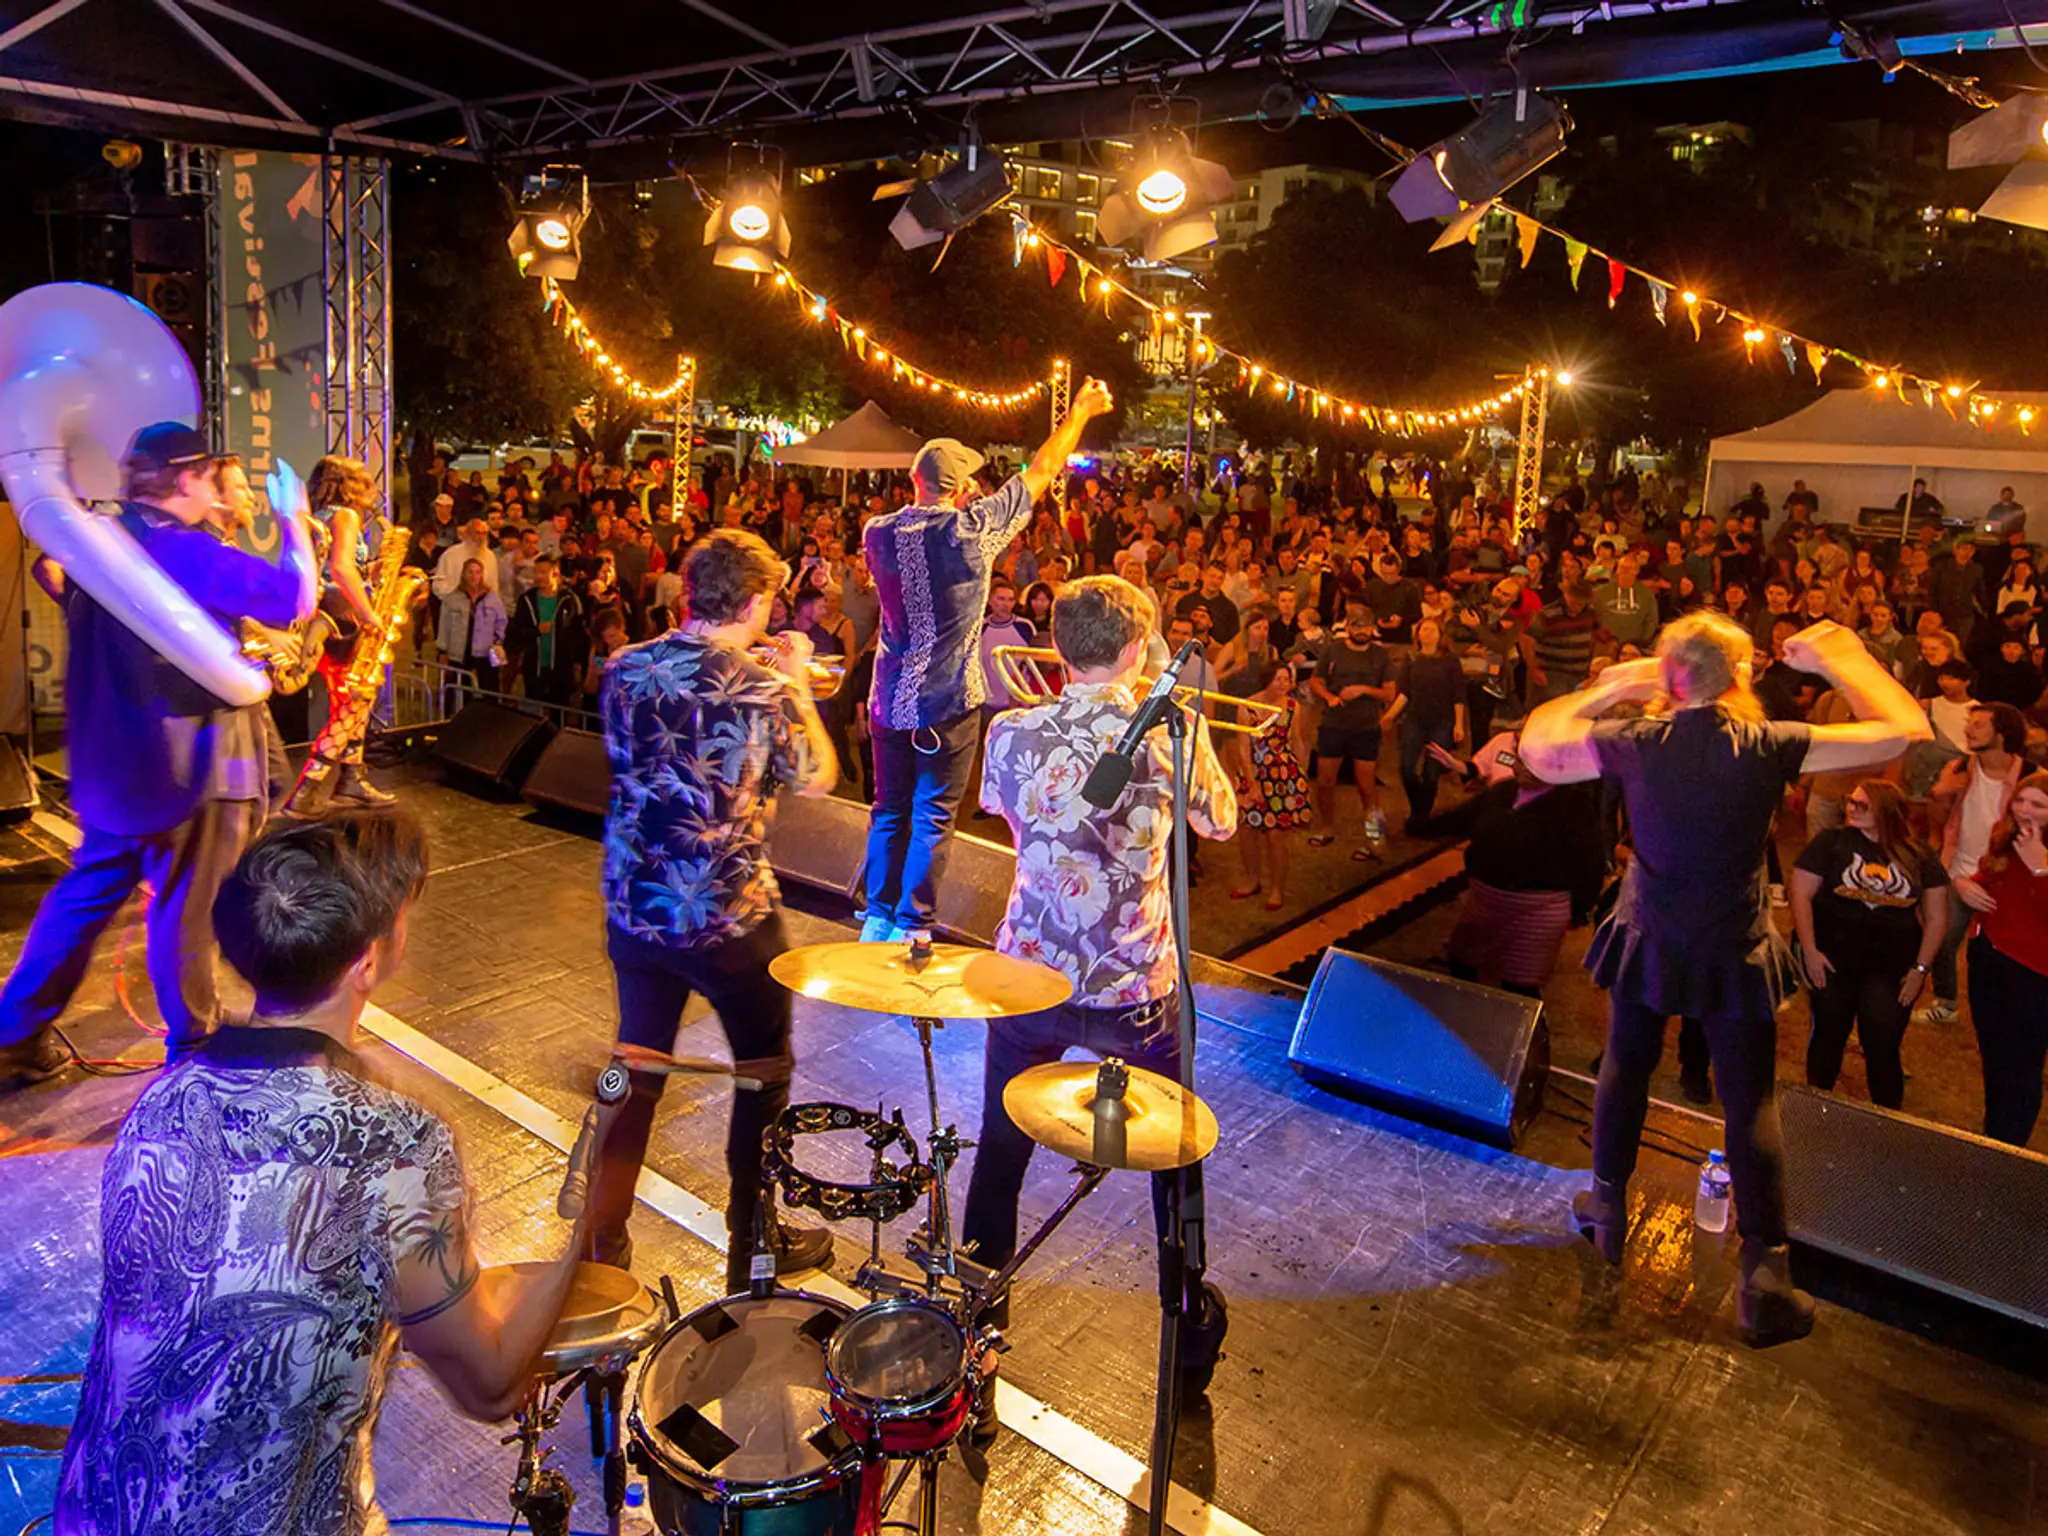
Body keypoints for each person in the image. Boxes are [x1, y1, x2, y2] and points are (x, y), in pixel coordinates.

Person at [53, 809, 613, 1535]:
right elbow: (490, 1385)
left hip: (95, 1513)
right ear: (369, 960)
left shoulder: (163, 1101)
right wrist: (590, 1215)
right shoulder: (396, 1142)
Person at [1521, 613, 1930, 1346]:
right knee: (1749, 1103)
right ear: (1740, 677)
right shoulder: (1768, 745)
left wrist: (1606, 686)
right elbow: (1901, 730)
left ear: (1668, 676)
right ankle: (1765, 1275)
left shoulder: (1640, 741)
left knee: (1626, 1065)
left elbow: (1539, 748)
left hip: (1651, 931)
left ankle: (1606, 1212)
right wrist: (1843, 659)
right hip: (1733, 940)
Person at [964, 576, 1238, 1426]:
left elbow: (1002, 812)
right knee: (1172, 1161)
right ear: (1137, 648)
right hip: (1135, 988)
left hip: (1033, 975)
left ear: (1058, 640)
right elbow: (1221, 822)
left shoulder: (1012, 730)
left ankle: (976, 1340)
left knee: (1000, 1155)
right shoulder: (1174, 730)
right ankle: (1186, 1344)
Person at [0, 425, 317, 1088]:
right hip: (176, 768)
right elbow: (296, 598)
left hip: (104, 766)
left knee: (84, 898)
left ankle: (14, 1032)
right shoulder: (182, 550)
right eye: (208, 478)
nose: (213, 492)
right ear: (185, 479)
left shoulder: (101, 543)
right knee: (184, 906)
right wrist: (296, 520)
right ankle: (195, 1048)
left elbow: (49, 571)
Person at [584, 529, 838, 1288]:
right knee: (764, 1073)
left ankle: (603, 1240)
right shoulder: (763, 690)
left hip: (637, 904)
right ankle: (751, 1244)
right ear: (759, 599)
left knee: (638, 1068)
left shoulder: (626, 666)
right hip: (727, 917)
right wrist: (792, 682)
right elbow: (818, 776)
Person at [859, 380, 1114, 942]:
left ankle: (876, 915)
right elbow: (1044, 468)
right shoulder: (970, 531)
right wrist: (1080, 412)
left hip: (888, 696)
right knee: (931, 814)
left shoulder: (876, 532)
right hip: (946, 700)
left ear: (913, 480)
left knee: (888, 808)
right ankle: (913, 924)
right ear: (961, 488)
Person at [1790, 780, 1949, 1110]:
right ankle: (1816, 1109)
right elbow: (1800, 894)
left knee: (1882, 1041)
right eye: (1851, 801)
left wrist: (1920, 969)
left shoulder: (1918, 856)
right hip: (1834, 958)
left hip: (1891, 965)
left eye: (1862, 805)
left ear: (1886, 812)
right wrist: (1809, 950)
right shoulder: (1830, 843)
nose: (1851, 808)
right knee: (1828, 1035)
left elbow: (1936, 917)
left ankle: (1886, 1119)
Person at [1413, 733, 1606, 997]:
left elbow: (1588, 862)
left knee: (1519, 983)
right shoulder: (1503, 792)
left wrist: (1580, 908)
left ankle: (1526, 1034)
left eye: (1526, 763)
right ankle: (1461, 1022)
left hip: (1538, 909)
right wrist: (1419, 827)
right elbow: (1462, 818)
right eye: (1518, 759)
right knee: (1462, 960)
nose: (1515, 767)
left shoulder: (1573, 806)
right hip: (1487, 900)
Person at [287, 453, 395, 815]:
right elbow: (342, 569)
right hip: (344, 615)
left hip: (323, 613)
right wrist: (369, 613)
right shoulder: (346, 516)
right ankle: (308, 786)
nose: (368, 487)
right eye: (362, 480)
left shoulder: (317, 518)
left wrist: (373, 568)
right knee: (355, 700)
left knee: (349, 699)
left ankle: (351, 780)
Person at [1952, 772, 2048, 1145]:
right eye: (2020, 801)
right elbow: (1987, 879)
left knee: (2023, 1066)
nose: (2025, 810)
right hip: (1990, 959)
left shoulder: (2035, 851)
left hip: (2035, 976)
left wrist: (2040, 868)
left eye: (2038, 805)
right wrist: (1965, 885)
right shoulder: (2006, 835)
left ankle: (2010, 1148)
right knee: (1993, 1055)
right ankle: (1993, 1136)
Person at [1923, 702, 2029, 1024]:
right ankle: (1946, 1002)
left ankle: (2009, 1013)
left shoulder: (2032, 777)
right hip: (1958, 871)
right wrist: (1939, 794)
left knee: (2004, 951)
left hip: (2004, 878)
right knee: (1940, 939)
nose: (1968, 730)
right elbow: (1939, 822)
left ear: (2002, 733)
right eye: (1970, 723)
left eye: (1979, 725)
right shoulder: (1957, 769)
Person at [1308, 596, 1399, 859]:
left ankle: (1374, 836)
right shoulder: (1333, 651)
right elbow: (1316, 681)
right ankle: (1326, 827)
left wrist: (1363, 690)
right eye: (1356, 626)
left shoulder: (1380, 655)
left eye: (1365, 627)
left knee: (1366, 784)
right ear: (1348, 627)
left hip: (1366, 727)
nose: (1361, 632)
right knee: (1325, 781)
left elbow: (1389, 693)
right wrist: (1329, 697)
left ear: (1372, 628)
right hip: (1334, 724)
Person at [1227, 657, 1311, 910]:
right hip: (1254, 770)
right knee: (1248, 831)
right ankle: (1252, 879)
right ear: (1267, 680)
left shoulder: (1293, 707)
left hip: (1283, 776)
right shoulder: (1248, 706)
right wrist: (1250, 781)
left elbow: (1298, 741)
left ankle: (1277, 888)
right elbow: (1243, 745)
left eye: (1287, 679)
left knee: (1277, 835)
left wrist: (1301, 776)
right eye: (1278, 679)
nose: (1283, 684)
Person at [1395, 615, 1466, 826]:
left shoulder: (1450, 660)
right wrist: (1389, 716)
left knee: (1431, 770)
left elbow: (1458, 694)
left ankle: (1421, 815)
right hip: (1415, 718)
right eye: (1424, 630)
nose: (1427, 634)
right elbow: (1403, 692)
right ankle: (1419, 805)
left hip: (1442, 720)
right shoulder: (1411, 658)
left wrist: (1459, 724)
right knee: (1406, 768)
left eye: (1432, 630)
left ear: (1440, 635)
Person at [508, 555, 587, 710]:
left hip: (561, 666)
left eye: (544, 572)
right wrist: (536, 630)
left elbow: (578, 634)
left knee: (559, 709)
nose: (539, 577)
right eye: (536, 572)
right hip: (534, 665)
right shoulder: (527, 600)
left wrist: (577, 661)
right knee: (533, 709)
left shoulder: (569, 599)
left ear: (555, 573)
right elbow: (516, 631)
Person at [438, 556, 508, 697]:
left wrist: (498, 639)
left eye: (477, 572)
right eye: (470, 572)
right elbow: (444, 624)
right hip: (459, 652)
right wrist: (443, 650)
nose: (474, 576)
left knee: (489, 691)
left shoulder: (492, 598)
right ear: (463, 574)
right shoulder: (452, 598)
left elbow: (501, 621)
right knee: (459, 691)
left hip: (486, 652)